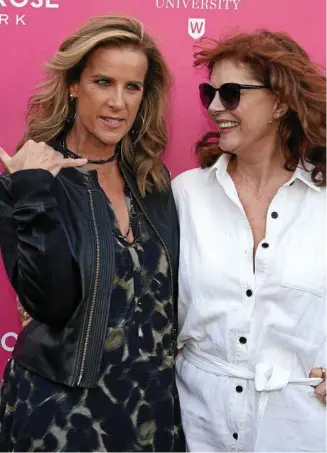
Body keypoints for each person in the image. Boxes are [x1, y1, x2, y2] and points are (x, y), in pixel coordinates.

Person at [0, 14, 184, 452]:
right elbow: (51, 301)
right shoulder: (26, 182)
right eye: (104, 82)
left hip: (150, 410)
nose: (118, 102)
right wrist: (34, 192)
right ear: (73, 85)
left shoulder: (153, 182)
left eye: (132, 87)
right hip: (60, 414)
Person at [172, 30, 326, 452]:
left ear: (280, 103)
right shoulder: (184, 195)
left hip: (300, 430)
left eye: (232, 93)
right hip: (198, 428)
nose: (217, 106)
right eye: (211, 93)